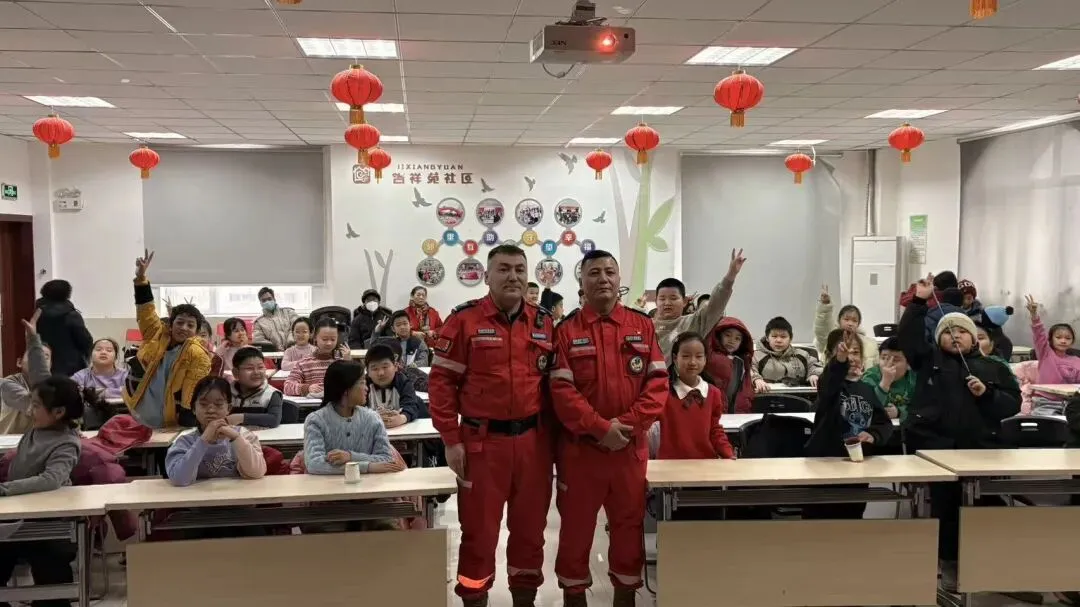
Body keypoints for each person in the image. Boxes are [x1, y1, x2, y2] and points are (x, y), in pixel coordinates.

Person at [428, 244, 555, 607]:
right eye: (503, 269)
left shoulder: (544, 322)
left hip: (533, 444)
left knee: (530, 532)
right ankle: (474, 597)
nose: (513, 276)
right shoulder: (464, 320)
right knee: (479, 534)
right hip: (482, 445)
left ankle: (525, 598)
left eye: (519, 269)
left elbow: (555, 387)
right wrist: (451, 439)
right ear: (487, 276)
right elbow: (441, 383)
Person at [550, 249, 668, 607]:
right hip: (580, 453)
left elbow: (658, 384)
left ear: (619, 280)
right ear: (581, 282)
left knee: (628, 527)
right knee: (575, 529)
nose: (603, 278)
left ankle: (625, 597)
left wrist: (627, 425)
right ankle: (574, 597)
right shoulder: (565, 331)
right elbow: (561, 392)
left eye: (610, 272)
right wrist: (601, 428)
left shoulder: (642, 326)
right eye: (594, 273)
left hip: (629, 452)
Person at [900, 274, 1021, 593]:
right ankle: (950, 566)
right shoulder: (929, 361)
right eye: (947, 332)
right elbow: (909, 338)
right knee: (947, 509)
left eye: (962, 332)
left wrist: (988, 394)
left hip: (981, 451)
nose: (955, 336)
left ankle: (998, 570)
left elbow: (1012, 404)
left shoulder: (994, 367)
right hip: (938, 451)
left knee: (988, 510)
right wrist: (918, 302)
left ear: (974, 338)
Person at [0, 333, 96, 605]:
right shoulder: (43, 420)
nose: (30, 409)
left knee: (51, 573)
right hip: (19, 517)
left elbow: (51, 479)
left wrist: (5, 489)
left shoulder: (66, 441)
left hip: (51, 524)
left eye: (35, 406)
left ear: (58, 412)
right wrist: (33, 341)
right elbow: (42, 379)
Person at [804, 329, 892, 519]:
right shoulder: (830, 386)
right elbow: (829, 380)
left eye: (856, 352)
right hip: (826, 463)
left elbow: (883, 423)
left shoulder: (867, 389)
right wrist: (839, 361)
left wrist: (873, 435)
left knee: (853, 518)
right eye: (844, 352)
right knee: (820, 520)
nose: (851, 357)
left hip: (856, 466)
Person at [122, 250, 211, 428]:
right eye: (180, 322)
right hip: (136, 407)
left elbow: (190, 393)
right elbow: (146, 311)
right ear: (171, 324)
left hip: (168, 418)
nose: (184, 328)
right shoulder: (156, 334)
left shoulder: (198, 355)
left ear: (196, 331)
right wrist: (141, 278)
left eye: (190, 325)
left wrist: (186, 426)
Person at [303, 360, 404, 475]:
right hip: (328, 485)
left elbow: (386, 459)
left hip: (370, 484)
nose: (366, 388)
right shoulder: (316, 421)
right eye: (362, 383)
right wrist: (367, 467)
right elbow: (315, 464)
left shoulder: (372, 418)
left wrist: (351, 457)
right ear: (346, 389)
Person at [165, 376, 267, 486]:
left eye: (218, 405)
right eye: (203, 404)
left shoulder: (244, 435)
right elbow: (179, 479)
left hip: (236, 495)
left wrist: (236, 438)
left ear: (229, 408)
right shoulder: (184, 442)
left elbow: (256, 473)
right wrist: (203, 440)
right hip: (199, 496)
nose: (211, 410)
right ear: (193, 408)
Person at [652, 248, 747, 362]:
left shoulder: (693, 322)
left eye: (673, 298)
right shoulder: (646, 326)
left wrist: (730, 275)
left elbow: (715, 305)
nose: (667, 303)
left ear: (684, 301)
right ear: (656, 301)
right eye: (662, 299)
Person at [655, 332, 734, 461]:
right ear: (675, 358)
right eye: (686, 356)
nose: (692, 362)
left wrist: (728, 453)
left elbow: (715, 430)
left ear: (705, 359)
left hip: (705, 462)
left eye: (699, 356)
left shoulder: (713, 393)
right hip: (670, 463)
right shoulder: (663, 392)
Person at [34, 278, 93, 377]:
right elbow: (85, 340)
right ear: (67, 294)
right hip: (71, 367)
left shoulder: (34, 312)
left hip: (41, 363)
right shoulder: (71, 315)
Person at [0, 326, 51, 435]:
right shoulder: (6, 384)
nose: (40, 360)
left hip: (42, 440)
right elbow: (35, 403)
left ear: (50, 365)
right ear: (19, 362)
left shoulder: (56, 385)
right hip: (10, 441)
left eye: (45, 357)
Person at [813, 286, 878, 368]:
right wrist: (825, 306)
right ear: (839, 320)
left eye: (854, 321)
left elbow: (876, 369)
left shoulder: (870, 344)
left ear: (858, 324)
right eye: (846, 319)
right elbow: (822, 326)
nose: (850, 323)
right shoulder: (830, 338)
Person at [751, 317, 822, 390]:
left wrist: (814, 374)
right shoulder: (756, 356)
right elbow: (749, 370)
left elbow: (816, 366)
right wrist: (756, 379)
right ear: (767, 338)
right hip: (768, 395)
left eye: (783, 337)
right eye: (774, 336)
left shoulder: (802, 355)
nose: (778, 340)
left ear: (790, 338)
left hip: (801, 395)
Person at [365, 344, 426, 430]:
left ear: (396, 366)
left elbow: (411, 405)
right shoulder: (363, 385)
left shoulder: (403, 382)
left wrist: (401, 418)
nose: (381, 373)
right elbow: (355, 410)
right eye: (375, 369)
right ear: (367, 371)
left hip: (402, 430)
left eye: (385, 367)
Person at [284, 317, 348, 397]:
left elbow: (353, 387)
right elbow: (287, 386)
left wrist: (348, 364)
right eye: (324, 339)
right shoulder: (304, 363)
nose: (329, 343)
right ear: (315, 337)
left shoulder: (341, 361)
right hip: (313, 404)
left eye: (333, 339)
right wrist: (307, 388)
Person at [1025, 294, 1080, 385]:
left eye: (1068, 338)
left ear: (1072, 342)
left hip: (1069, 394)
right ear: (1050, 339)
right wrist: (1034, 315)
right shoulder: (1045, 354)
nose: (1063, 341)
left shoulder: (1077, 361)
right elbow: (1039, 334)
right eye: (1058, 337)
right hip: (1043, 394)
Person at [704, 317, 755, 414]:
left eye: (737, 338)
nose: (732, 341)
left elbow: (745, 388)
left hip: (735, 411)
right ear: (719, 336)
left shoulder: (742, 361)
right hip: (714, 409)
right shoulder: (710, 355)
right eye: (727, 335)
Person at [861, 337, 916, 422]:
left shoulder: (915, 379)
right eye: (884, 358)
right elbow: (865, 409)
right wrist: (885, 383)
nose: (889, 364)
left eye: (896, 360)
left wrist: (899, 412)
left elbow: (922, 408)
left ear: (908, 364)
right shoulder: (870, 377)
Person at [228, 347, 283, 428]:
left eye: (260, 367)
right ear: (235, 372)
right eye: (249, 368)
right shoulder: (225, 392)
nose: (256, 372)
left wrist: (241, 418)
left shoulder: (271, 394)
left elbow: (274, 419)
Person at [252, 287, 298, 351]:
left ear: (274, 299)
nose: (267, 302)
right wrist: (274, 347)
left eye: (269, 299)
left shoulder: (289, 312)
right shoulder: (258, 322)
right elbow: (258, 340)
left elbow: (297, 327)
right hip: (274, 354)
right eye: (264, 300)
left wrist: (290, 342)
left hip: (294, 349)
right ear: (260, 303)